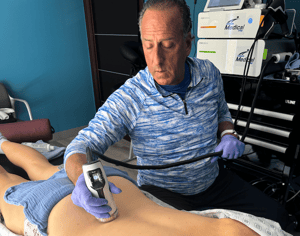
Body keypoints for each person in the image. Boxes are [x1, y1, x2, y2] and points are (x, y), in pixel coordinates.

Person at [64, 0, 290, 230]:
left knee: (279, 218)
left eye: (168, 45)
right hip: (165, 195)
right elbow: (82, 144)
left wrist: (229, 134)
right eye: (148, 45)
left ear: (187, 43)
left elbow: (222, 110)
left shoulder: (209, 73)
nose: (156, 60)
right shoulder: (131, 97)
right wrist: (79, 179)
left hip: (215, 183)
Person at [0, 134, 263, 236]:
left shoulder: (232, 232)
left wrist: (228, 132)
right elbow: (85, 140)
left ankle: (2, 141)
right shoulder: (132, 93)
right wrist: (79, 174)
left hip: (108, 183)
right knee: (18, 177)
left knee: (40, 170)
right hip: (72, 199)